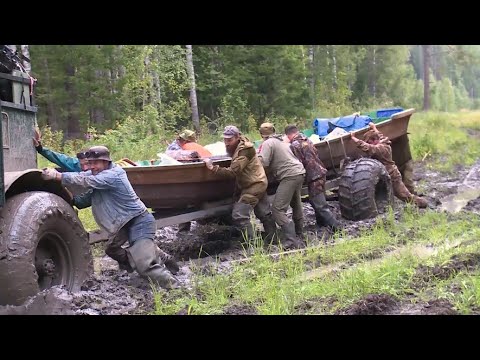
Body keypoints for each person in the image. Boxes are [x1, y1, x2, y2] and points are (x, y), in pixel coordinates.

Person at [41, 145, 179, 289]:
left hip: (139, 221)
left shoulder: (114, 174)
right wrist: (69, 198)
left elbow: (84, 180)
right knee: (112, 250)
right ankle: (156, 256)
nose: (92, 167)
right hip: (122, 225)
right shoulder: (96, 175)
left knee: (144, 266)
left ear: (106, 162)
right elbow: (84, 200)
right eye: (90, 163)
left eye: (95, 163)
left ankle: (175, 287)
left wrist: (58, 175)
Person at [204, 125, 276, 243]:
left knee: (240, 215)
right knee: (264, 213)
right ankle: (274, 238)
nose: (226, 143)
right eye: (225, 140)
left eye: (229, 140)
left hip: (254, 185)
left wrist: (213, 168)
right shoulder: (238, 147)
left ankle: (253, 244)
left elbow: (233, 172)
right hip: (257, 182)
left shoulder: (245, 149)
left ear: (237, 137)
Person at [350, 123, 428, 208]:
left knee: (405, 196)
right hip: (387, 174)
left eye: (369, 142)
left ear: (375, 140)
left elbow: (368, 148)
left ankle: (424, 204)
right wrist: (374, 127)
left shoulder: (382, 148)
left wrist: (354, 138)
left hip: (392, 176)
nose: (369, 144)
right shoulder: (382, 140)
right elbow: (380, 135)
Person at [257, 122, 306, 249]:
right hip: (299, 172)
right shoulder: (281, 141)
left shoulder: (268, 143)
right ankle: (300, 234)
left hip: (289, 175)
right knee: (296, 204)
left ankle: (291, 239)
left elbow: (264, 162)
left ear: (261, 134)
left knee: (277, 210)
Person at [284, 124, 340, 233]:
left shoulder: (295, 145)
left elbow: (297, 162)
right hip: (320, 172)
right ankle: (322, 224)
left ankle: (338, 229)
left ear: (288, 135)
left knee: (320, 204)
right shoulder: (306, 139)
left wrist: (286, 144)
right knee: (317, 201)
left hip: (313, 176)